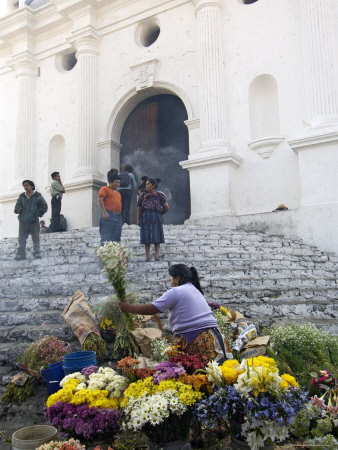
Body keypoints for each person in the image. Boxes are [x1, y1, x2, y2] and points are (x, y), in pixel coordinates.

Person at [118, 264, 227, 363]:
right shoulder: (193, 288)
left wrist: (128, 308)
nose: (170, 283)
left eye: (170, 279)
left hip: (198, 338)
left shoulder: (176, 291)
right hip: (212, 336)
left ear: (177, 279)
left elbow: (153, 308)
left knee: (200, 376)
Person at [14, 180, 48, 260]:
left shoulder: (37, 196)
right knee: (21, 238)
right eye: (24, 185)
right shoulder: (21, 197)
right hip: (23, 222)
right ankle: (21, 254)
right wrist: (21, 211)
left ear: (32, 186)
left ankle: (37, 253)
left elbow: (44, 207)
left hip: (34, 221)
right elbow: (16, 208)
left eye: (27, 185)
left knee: (35, 238)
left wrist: (38, 214)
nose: (25, 187)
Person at [137, 178, 169, 261]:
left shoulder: (159, 195)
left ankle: (156, 255)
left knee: (156, 234)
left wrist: (160, 213)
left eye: (148, 184)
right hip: (145, 216)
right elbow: (140, 208)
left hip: (156, 216)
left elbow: (166, 207)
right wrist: (138, 219)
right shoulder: (143, 195)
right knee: (146, 235)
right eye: (146, 184)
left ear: (153, 185)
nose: (146, 185)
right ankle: (147, 256)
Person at [97, 173, 122, 245]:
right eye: (116, 182)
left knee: (117, 238)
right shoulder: (104, 188)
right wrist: (104, 212)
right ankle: (104, 255)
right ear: (110, 182)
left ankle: (114, 255)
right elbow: (100, 200)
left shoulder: (118, 193)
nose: (118, 184)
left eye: (119, 182)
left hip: (118, 216)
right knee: (106, 238)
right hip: (108, 215)